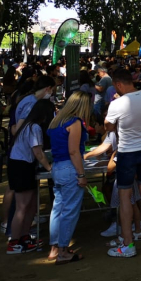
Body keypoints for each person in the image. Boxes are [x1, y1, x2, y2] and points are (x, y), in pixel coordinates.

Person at [105, 68, 141, 257]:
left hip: (128, 152)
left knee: (124, 196)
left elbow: (108, 126)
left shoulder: (116, 104)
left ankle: (128, 243)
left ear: (119, 85)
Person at [46, 90, 92, 264]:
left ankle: (55, 249)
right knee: (69, 211)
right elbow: (74, 151)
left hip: (57, 168)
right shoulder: (75, 122)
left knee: (58, 209)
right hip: (69, 168)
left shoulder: (56, 120)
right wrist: (81, 174)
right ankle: (63, 251)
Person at [6, 99, 53, 254]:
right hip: (21, 167)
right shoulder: (34, 128)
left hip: (22, 165)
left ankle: (24, 237)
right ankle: (14, 242)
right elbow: (38, 153)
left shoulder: (28, 125)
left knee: (31, 204)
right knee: (22, 206)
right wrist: (49, 168)